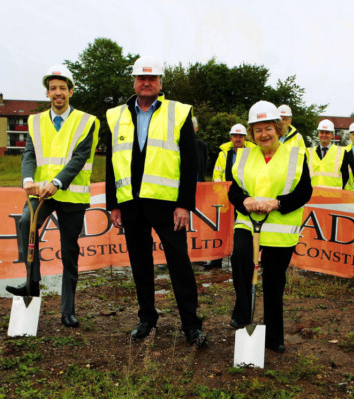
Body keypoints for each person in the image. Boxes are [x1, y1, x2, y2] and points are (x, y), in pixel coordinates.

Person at [104, 56, 206, 346]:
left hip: (168, 205)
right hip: (131, 204)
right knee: (140, 264)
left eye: (152, 79)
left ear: (161, 83)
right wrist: (113, 203)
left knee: (179, 264)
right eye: (141, 78)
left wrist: (185, 204)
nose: (146, 83)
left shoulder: (179, 112)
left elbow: (190, 163)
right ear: (134, 82)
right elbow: (112, 162)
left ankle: (191, 325)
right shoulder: (115, 115)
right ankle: (147, 318)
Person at [5, 65, 99, 328]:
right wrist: (27, 179)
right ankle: (31, 285)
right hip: (41, 193)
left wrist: (58, 183)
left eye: (62, 88)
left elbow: (80, 158)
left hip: (71, 195)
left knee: (70, 252)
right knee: (26, 222)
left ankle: (67, 310)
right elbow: (29, 154)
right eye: (53, 88)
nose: (58, 93)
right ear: (47, 92)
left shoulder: (87, 121)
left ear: (70, 91)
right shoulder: (35, 121)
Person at [229, 100, 312, 353]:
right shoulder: (244, 156)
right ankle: (244, 315)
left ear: (278, 128)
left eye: (268, 128)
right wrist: (245, 201)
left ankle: (274, 336)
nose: (263, 134)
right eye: (257, 130)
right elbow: (233, 190)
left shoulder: (296, 156)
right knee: (240, 261)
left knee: (274, 282)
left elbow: (305, 192)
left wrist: (277, 204)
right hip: (248, 223)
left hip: (280, 229)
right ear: (251, 133)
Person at [205, 123, 255, 270]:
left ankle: (250, 259)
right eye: (235, 136)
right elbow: (217, 174)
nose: (237, 139)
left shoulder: (253, 152)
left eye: (240, 136)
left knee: (247, 228)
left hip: (246, 196)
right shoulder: (224, 154)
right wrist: (220, 190)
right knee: (221, 228)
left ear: (245, 138)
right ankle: (217, 259)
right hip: (226, 197)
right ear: (231, 137)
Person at [309, 119, 348, 188]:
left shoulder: (341, 152)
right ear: (318, 134)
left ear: (332, 135)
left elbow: (346, 177)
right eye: (321, 132)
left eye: (327, 132)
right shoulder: (309, 152)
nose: (324, 135)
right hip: (314, 196)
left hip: (333, 196)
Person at [193, 117, 209, 182]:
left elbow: (204, 166)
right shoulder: (178, 145)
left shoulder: (202, 146)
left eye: (191, 126)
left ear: (196, 128)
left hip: (198, 183)